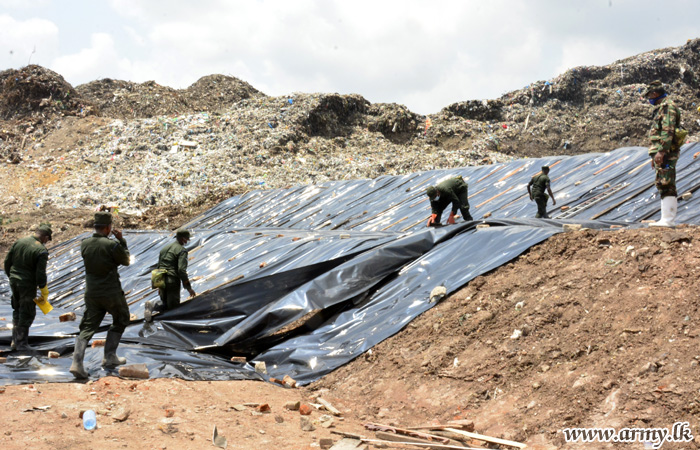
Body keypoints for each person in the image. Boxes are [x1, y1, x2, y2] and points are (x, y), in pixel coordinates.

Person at [70, 211, 130, 379]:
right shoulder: (111, 245)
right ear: (108, 228)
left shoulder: (85, 244)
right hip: (110, 292)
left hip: (91, 292)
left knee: (87, 326)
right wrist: (121, 241)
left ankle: (76, 363)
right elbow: (126, 260)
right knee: (121, 318)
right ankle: (109, 356)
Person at [3, 223, 52, 351]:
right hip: (27, 284)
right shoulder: (41, 251)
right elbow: (40, 273)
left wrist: (12, 276)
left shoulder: (20, 242)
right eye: (47, 240)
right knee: (27, 311)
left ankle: (15, 341)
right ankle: (21, 344)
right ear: (45, 237)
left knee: (17, 308)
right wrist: (43, 289)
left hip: (14, 281)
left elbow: (7, 262)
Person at [645, 80, 682, 227]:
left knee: (667, 183)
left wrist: (662, 151)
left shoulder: (667, 107)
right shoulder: (662, 108)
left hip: (666, 152)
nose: (649, 99)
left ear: (654, 93)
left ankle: (668, 220)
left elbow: (668, 131)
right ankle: (665, 219)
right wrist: (655, 154)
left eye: (649, 95)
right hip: (662, 152)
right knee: (662, 182)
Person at [144, 228, 196, 322]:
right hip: (171, 280)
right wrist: (188, 288)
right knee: (173, 308)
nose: (188, 241)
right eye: (187, 239)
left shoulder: (165, 248)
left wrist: (159, 285)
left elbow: (159, 265)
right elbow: (181, 270)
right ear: (183, 239)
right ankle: (153, 306)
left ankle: (153, 305)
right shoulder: (181, 250)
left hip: (160, 277)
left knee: (165, 303)